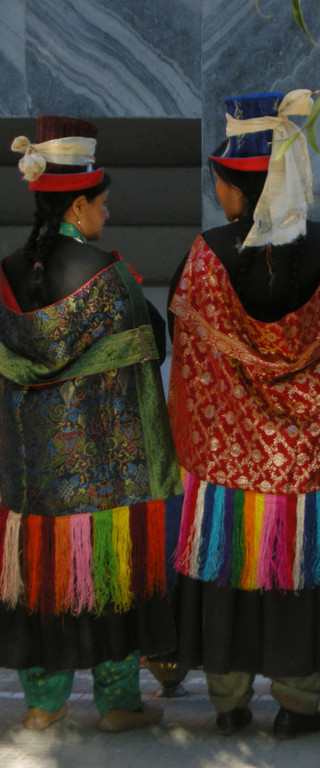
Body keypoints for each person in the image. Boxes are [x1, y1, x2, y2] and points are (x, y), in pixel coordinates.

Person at [166, 90, 320, 740]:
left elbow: (183, 351)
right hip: (313, 473)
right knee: (302, 576)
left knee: (230, 573)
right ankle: (298, 703)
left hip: (227, 472)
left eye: (222, 179)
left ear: (243, 186)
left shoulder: (204, 259)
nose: (216, 189)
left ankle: (228, 699)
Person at [0, 115, 179, 732]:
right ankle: (117, 703)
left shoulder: (5, 277)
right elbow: (152, 343)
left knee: (39, 587)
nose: (107, 214)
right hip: (103, 480)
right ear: (77, 205)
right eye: (102, 204)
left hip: (30, 482)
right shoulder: (110, 277)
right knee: (109, 583)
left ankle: (43, 706)